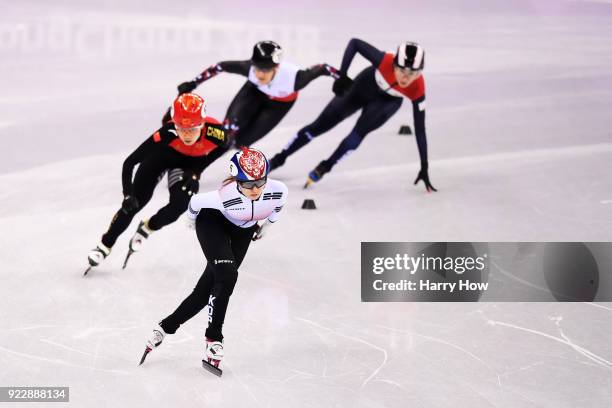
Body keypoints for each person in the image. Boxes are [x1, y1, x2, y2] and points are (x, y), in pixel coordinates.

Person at [139, 148, 288, 375]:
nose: (255, 189)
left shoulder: (278, 190)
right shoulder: (223, 196)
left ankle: (165, 326)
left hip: (244, 230)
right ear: (237, 181)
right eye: (248, 185)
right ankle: (214, 339)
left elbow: (277, 205)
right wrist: (190, 221)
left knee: (206, 290)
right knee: (227, 275)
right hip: (212, 224)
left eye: (260, 182)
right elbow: (196, 202)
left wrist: (268, 225)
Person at [84, 93, 228, 274]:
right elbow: (130, 162)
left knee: (179, 205)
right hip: (162, 158)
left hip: (187, 167)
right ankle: (105, 245)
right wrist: (128, 194)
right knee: (134, 204)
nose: (186, 134)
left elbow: (224, 146)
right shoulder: (167, 133)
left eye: (192, 129)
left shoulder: (217, 133)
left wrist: (197, 171)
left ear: (203, 124)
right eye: (181, 128)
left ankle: (148, 227)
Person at [268, 38, 437, 192]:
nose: (406, 78)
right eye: (402, 70)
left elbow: (420, 129)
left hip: (387, 103)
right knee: (319, 126)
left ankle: (326, 166)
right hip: (365, 85)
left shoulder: (417, 89)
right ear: (394, 64)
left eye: (413, 73)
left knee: (357, 134)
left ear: (420, 72)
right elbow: (354, 43)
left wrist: (424, 166)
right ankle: (278, 159)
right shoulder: (384, 59)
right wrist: (342, 75)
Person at [162, 40, 342, 166]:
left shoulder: (296, 79)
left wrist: (342, 79)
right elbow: (219, 67)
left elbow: (322, 68)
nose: (260, 74)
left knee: (241, 143)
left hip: (279, 104)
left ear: (277, 68)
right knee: (228, 130)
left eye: (265, 70)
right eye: (257, 68)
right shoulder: (249, 69)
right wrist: (193, 83)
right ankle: (194, 160)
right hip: (254, 92)